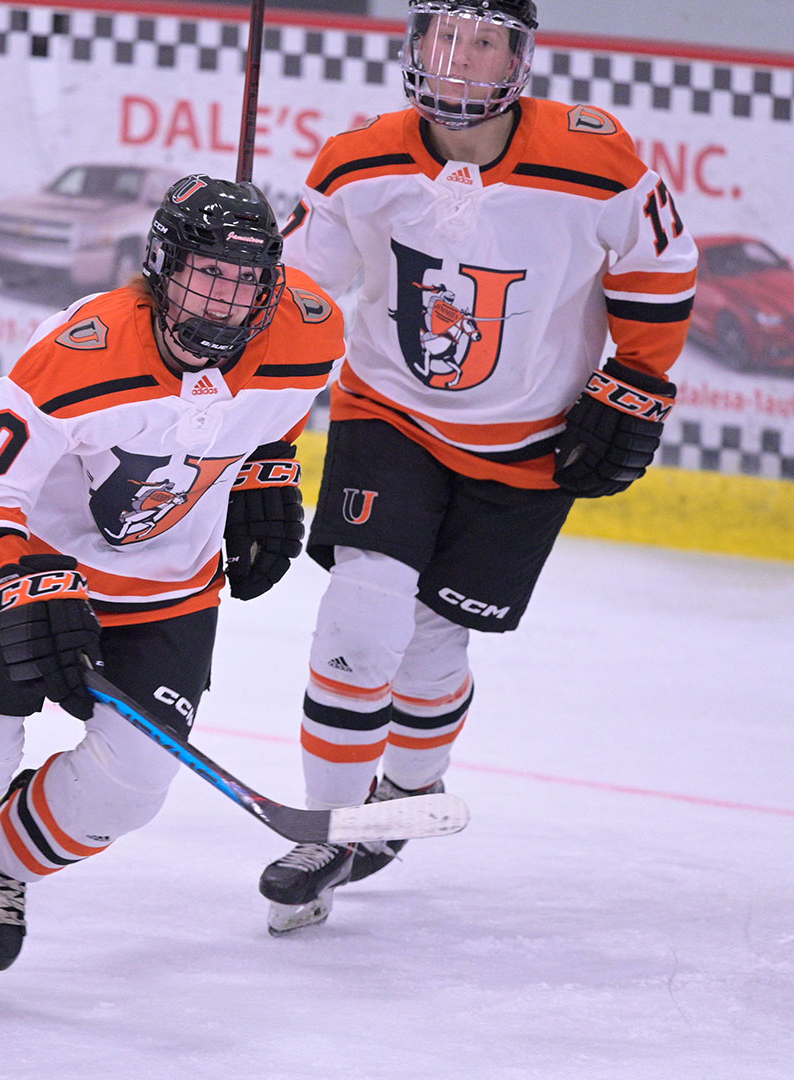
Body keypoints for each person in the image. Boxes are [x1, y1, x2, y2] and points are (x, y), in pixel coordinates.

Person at [0, 175, 343, 1003]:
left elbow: (276, 412)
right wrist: (21, 578)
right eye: (206, 273)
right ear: (161, 266)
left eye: (246, 281)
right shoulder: (83, 352)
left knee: (133, 783)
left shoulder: (309, 332)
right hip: (22, 576)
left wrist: (266, 469)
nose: (224, 299)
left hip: (167, 590)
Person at [258, 0, 698, 932]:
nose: (457, 60)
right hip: (390, 416)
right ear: (413, 46)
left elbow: (660, 268)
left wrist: (639, 382)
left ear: (520, 55)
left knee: (430, 641)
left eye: (483, 39)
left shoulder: (595, 156)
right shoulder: (358, 157)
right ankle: (325, 826)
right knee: (362, 607)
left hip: (532, 442)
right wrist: (257, 416)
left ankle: (410, 788)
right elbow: (299, 298)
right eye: (440, 37)